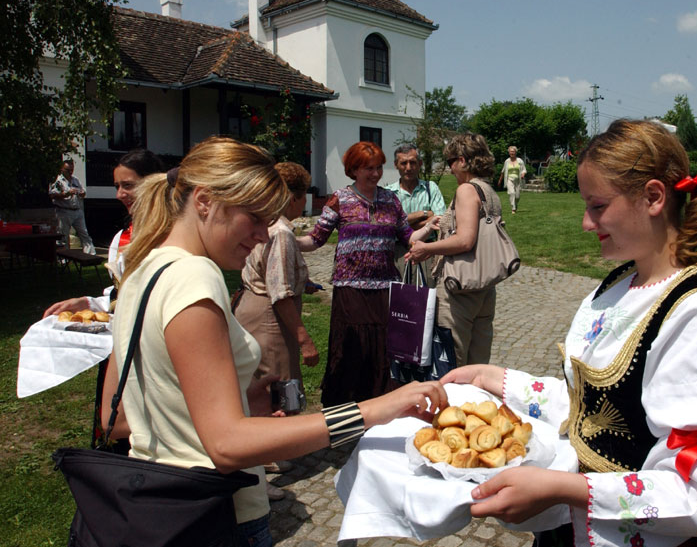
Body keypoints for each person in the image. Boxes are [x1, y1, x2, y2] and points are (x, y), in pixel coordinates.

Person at [101, 136, 448, 547]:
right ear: (205, 201)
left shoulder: (142, 267)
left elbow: (116, 418)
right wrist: (375, 408)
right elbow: (227, 446)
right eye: (255, 218)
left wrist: (241, 412)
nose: (265, 236)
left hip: (156, 500)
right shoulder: (195, 278)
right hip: (218, 506)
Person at [441, 119, 697, 547]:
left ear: (652, 197)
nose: (586, 223)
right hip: (572, 527)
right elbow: (591, 408)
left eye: (597, 206)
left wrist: (560, 489)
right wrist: (495, 379)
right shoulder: (618, 285)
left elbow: (696, 494)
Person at [295, 141, 439, 407]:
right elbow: (315, 240)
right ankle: (346, 405)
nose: (374, 174)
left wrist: (429, 227)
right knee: (351, 348)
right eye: (367, 168)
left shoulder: (390, 200)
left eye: (378, 168)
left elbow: (408, 237)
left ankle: (381, 404)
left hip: (385, 287)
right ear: (353, 169)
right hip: (350, 288)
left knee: (382, 349)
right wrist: (286, 238)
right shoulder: (340, 199)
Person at [233, 161, 319, 501]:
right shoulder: (281, 233)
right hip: (269, 314)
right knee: (277, 381)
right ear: (293, 199)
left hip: (256, 306)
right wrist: (304, 337)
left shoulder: (270, 226)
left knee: (265, 380)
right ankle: (265, 456)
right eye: (303, 197)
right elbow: (280, 291)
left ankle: (268, 449)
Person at [407, 133, 501, 367]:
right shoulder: (488, 190)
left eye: (450, 162)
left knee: (452, 364)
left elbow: (465, 240)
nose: (450, 169)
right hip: (484, 286)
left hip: (459, 288)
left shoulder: (466, 190)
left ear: (462, 160)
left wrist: (427, 248)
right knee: (478, 365)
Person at [43, 149, 164, 317]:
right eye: (117, 186)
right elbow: (122, 295)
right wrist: (87, 303)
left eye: (128, 185)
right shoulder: (121, 239)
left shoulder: (176, 236)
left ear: (154, 184)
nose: (119, 194)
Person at [385, 144, 446, 281]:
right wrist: (424, 214)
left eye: (412, 162)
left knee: (427, 297)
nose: (408, 168)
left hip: (427, 251)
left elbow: (440, 221)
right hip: (398, 252)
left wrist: (403, 226)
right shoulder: (388, 193)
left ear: (419, 164)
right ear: (396, 165)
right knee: (400, 297)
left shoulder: (431, 188)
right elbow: (391, 225)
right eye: (403, 163)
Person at [49, 159, 95, 254]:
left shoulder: (75, 180)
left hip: (77, 210)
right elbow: (52, 195)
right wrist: (66, 194)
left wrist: (82, 193)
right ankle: (63, 258)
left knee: (84, 233)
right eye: (67, 170)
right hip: (64, 211)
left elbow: (82, 191)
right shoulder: (58, 181)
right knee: (63, 235)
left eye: (72, 170)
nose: (70, 172)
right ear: (62, 169)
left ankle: (90, 255)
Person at [497, 145, 526, 213]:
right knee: (512, 193)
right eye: (510, 152)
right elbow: (503, 171)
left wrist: (523, 174)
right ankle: (513, 208)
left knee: (517, 196)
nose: (512, 153)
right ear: (509, 153)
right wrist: (500, 180)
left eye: (513, 151)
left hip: (518, 180)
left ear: (516, 152)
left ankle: (515, 204)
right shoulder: (507, 161)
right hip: (509, 179)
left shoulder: (520, 161)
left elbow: (524, 170)